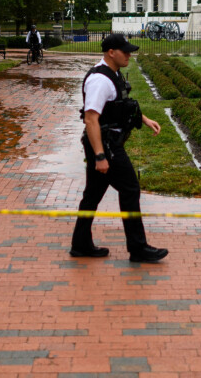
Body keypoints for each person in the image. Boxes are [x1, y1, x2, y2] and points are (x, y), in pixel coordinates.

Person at [70, 34, 169, 263]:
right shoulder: (100, 80)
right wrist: (100, 156)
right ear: (110, 52)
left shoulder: (112, 74)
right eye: (125, 51)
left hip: (106, 144)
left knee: (92, 195)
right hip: (106, 146)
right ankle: (138, 248)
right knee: (131, 189)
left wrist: (144, 119)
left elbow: (119, 106)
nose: (129, 55)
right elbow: (91, 119)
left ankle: (80, 243)